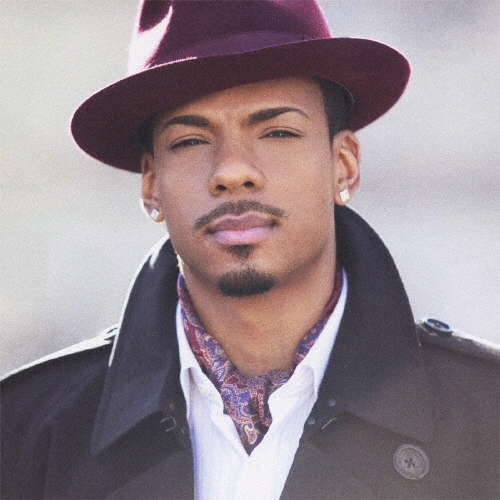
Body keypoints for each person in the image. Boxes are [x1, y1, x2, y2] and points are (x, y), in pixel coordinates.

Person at [1, 1, 499, 499]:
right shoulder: (27, 432)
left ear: (343, 165)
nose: (232, 171)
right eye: (190, 140)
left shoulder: (486, 414)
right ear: (151, 184)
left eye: (278, 132)